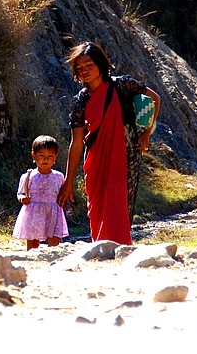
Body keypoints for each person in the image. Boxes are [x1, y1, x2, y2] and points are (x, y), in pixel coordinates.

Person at [56, 41, 161, 245]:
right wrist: (68, 182)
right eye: (79, 68)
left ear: (100, 64)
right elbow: (76, 143)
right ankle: (101, 247)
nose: (84, 71)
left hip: (126, 156)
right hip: (96, 161)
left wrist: (147, 133)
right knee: (97, 208)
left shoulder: (122, 85)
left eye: (89, 65)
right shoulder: (81, 101)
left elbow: (155, 99)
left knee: (120, 205)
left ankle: (120, 247)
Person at [13, 135, 70, 251]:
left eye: (50, 156)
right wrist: (23, 198)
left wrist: (67, 207)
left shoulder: (59, 177)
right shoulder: (28, 176)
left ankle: (54, 259)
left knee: (54, 240)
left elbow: (62, 195)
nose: (46, 159)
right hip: (34, 213)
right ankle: (32, 258)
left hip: (53, 212)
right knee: (33, 241)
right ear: (34, 156)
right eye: (41, 156)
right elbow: (20, 193)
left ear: (55, 158)